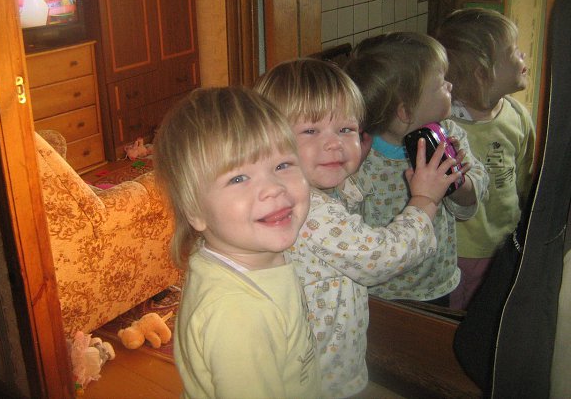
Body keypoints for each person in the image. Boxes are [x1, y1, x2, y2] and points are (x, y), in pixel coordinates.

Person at [255, 58, 462, 398]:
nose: (334, 144)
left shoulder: (296, 192)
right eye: (311, 131)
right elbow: (381, 257)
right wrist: (424, 200)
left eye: (346, 129)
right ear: (267, 139)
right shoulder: (309, 210)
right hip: (320, 376)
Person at [154, 86, 320, 399]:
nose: (273, 187)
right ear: (195, 212)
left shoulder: (248, 250)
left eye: (282, 165)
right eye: (238, 178)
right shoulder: (236, 316)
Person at [345, 31, 490, 307]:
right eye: (440, 83)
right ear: (405, 111)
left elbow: (475, 194)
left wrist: (457, 181)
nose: (450, 85)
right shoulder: (362, 156)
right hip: (380, 293)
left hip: (435, 282)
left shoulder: (448, 136)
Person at [435, 8, 536, 310]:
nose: (523, 55)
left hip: (505, 242)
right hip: (457, 251)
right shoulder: (445, 126)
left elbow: (525, 176)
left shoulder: (517, 115)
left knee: (495, 312)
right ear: (482, 73)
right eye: (514, 51)